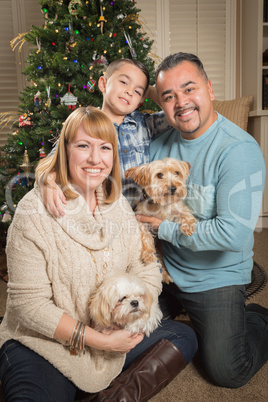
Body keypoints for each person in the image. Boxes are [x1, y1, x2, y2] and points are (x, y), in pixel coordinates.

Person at [0, 106, 197, 401]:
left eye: (105, 147)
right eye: (83, 146)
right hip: (45, 344)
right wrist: (99, 341)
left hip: (118, 326)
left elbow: (146, 268)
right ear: (65, 151)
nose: (95, 158)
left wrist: (132, 324)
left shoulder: (117, 204)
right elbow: (29, 306)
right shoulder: (33, 212)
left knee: (184, 336)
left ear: (113, 155)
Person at [136, 52, 268, 389]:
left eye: (189, 89)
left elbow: (234, 236)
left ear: (209, 89)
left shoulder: (238, 150)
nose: (181, 103)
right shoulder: (159, 145)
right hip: (166, 270)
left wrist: (159, 227)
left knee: (228, 370)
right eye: (169, 96)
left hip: (216, 275)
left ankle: (258, 318)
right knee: (125, 329)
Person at [43, 58, 168, 216]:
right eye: (123, 82)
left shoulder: (144, 124)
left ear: (140, 101)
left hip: (138, 218)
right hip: (102, 216)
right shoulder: (86, 124)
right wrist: (48, 183)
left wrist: (149, 90)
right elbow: (52, 161)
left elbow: (174, 114)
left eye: (137, 91)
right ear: (103, 84)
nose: (129, 91)